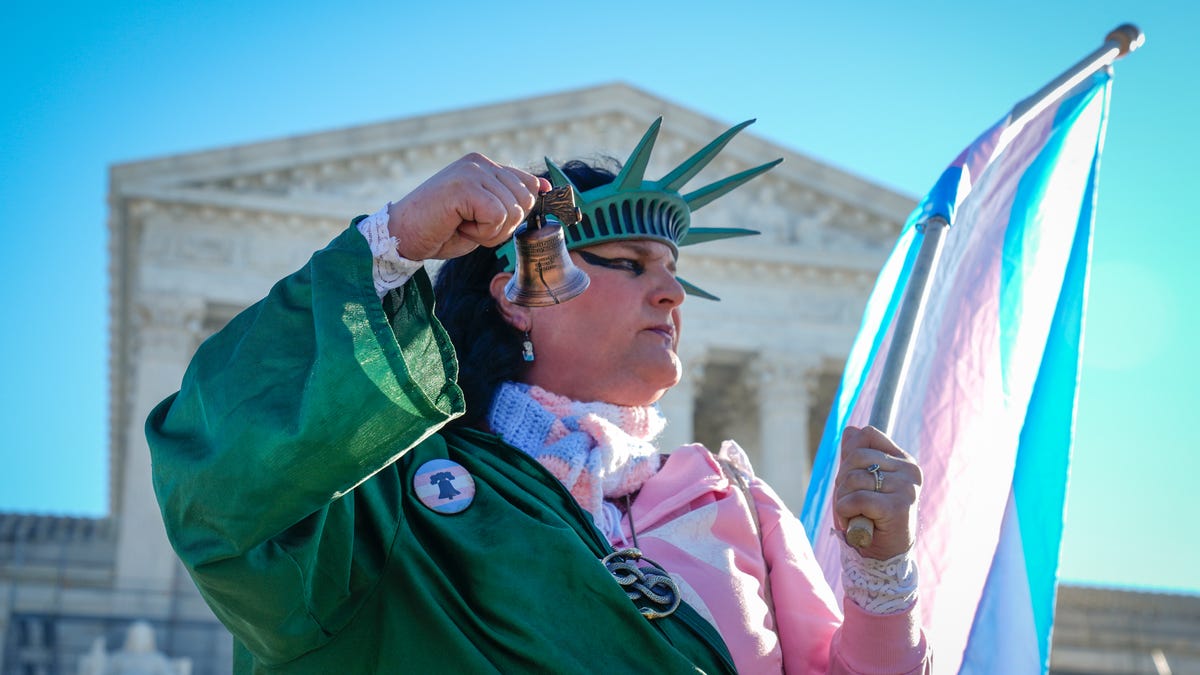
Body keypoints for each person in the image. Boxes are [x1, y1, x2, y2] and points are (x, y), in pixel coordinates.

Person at [147, 117, 930, 674]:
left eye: (675, 272)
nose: (670, 294)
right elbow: (221, 492)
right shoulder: (393, 495)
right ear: (521, 295)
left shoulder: (741, 506)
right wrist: (392, 244)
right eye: (629, 263)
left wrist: (882, 567)